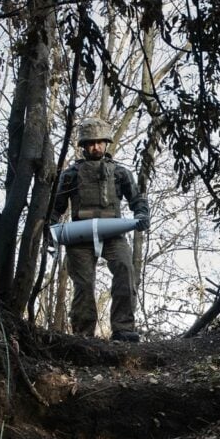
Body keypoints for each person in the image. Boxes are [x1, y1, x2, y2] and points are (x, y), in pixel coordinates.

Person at [52, 117, 150, 341]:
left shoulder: (119, 173)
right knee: (84, 284)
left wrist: (142, 214)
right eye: (90, 143)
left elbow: (136, 198)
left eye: (99, 142)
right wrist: (51, 229)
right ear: (83, 145)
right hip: (80, 235)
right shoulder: (71, 174)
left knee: (125, 269)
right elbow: (55, 206)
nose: (95, 147)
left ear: (106, 143)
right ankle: (83, 335)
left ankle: (123, 328)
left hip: (113, 232)